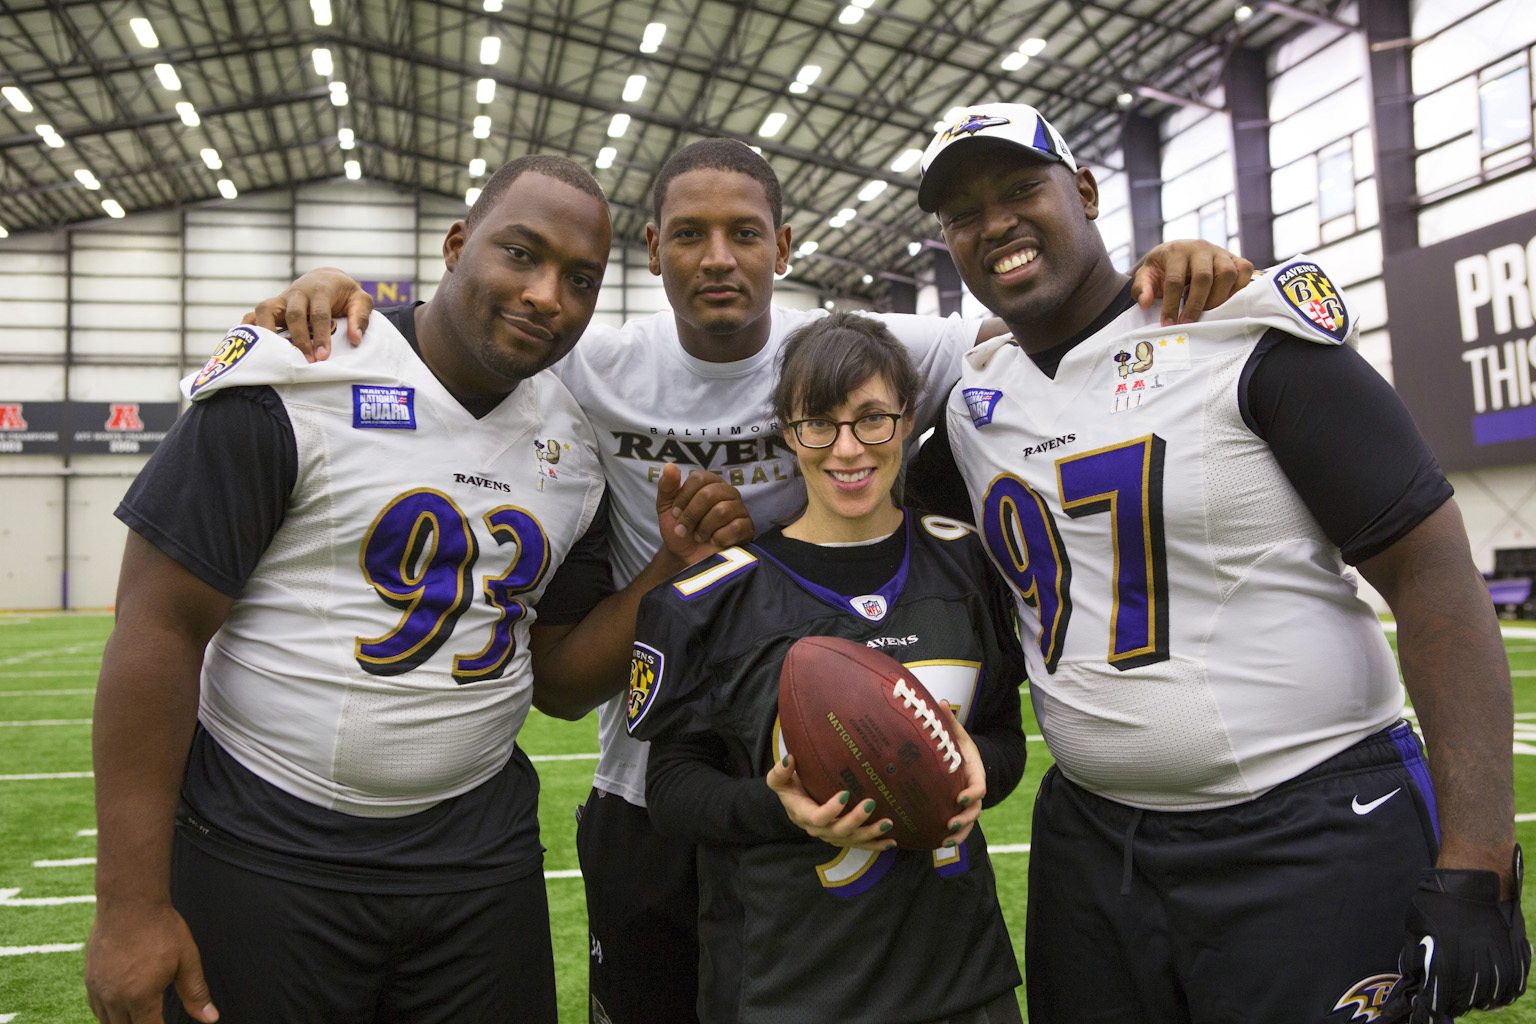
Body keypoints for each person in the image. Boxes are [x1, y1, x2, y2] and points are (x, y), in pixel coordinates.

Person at [247, 138, 1254, 1024]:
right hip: (653, 779)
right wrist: (349, 297)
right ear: (652, 251)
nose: (717, 258)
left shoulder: (872, 351)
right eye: (689, 234)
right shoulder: (587, 359)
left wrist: (1165, 271)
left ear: (784, 245)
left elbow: (1032, 320)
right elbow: (473, 315)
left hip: (840, 766)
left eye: (742, 233)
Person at [82, 155, 750, 1024]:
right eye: (521, 253)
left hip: (475, 857)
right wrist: (129, 909)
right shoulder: (300, 371)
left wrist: (670, 571)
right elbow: (158, 629)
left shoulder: (571, 442)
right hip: (265, 839)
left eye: (580, 279)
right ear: (456, 245)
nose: (548, 294)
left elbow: (557, 681)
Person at [907, 101, 1530, 1023]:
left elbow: (1431, 569)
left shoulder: (1240, 331)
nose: (993, 222)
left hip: (1311, 827)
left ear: (1083, 192)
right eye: (963, 214)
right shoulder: (971, 406)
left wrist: (1479, 861)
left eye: (1019, 189)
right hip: (1095, 843)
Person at [628, 312, 1028, 1023]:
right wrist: (781, 809)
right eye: (820, 423)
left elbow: (1001, 735)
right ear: (789, 430)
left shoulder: (969, 562)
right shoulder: (715, 596)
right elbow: (673, 790)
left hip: (958, 976)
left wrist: (979, 772)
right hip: (790, 983)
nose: (847, 448)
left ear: (908, 422)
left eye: (873, 418)